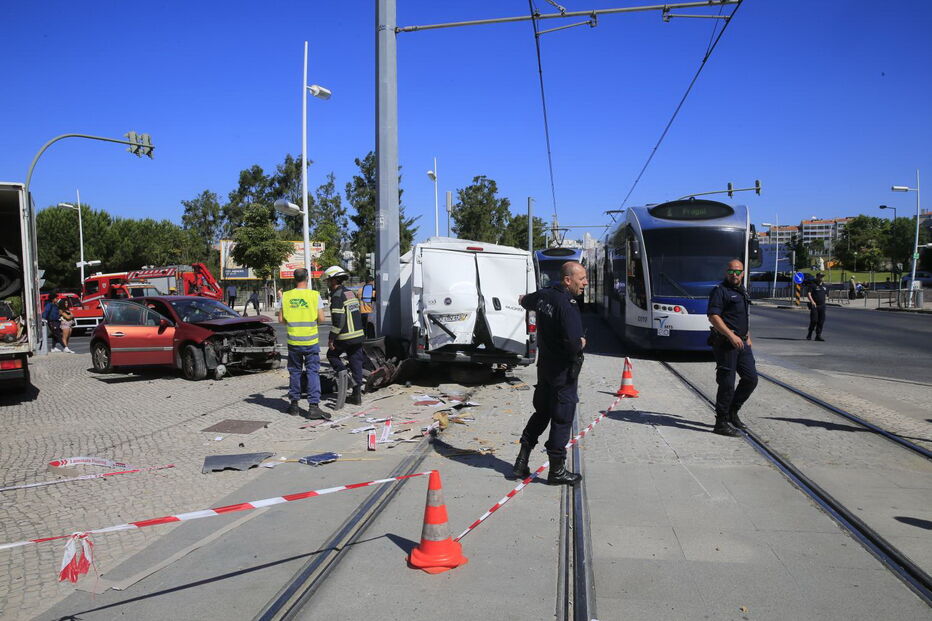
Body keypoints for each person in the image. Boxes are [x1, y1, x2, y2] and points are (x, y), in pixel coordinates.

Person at [511, 261, 587, 486]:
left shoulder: (544, 295)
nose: (585, 283)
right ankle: (557, 470)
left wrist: (522, 299)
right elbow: (573, 344)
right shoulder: (567, 305)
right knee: (562, 418)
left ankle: (521, 461)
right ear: (568, 280)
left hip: (544, 369)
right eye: (581, 279)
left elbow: (525, 301)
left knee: (542, 412)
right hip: (563, 372)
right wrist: (582, 342)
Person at [707, 259, 758, 437]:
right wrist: (731, 335)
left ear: (742, 274)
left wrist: (747, 335)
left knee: (751, 379)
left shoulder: (742, 290)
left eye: (738, 272)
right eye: (731, 271)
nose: (734, 275)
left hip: (742, 343)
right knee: (727, 384)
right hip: (726, 344)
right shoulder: (720, 291)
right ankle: (721, 423)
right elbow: (713, 316)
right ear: (726, 273)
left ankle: (732, 412)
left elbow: (742, 316)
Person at [278, 268, 327, 420]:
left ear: (294, 279)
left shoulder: (286, 296)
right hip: (310, 341)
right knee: (312, 372)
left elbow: (281, 320)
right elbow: (322, 319)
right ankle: (313, 407)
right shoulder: (314, 295)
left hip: (293, 342)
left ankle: (294, 405)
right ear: (307, 278)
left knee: (295, 372)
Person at [323, 265, 366, 406]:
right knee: (356, 362)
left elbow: (338, 320)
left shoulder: (337, 296)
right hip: (358, 335)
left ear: (334, 280)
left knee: (332, 355)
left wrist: (331, 338)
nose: (327, 283)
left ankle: (347, 379)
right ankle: (356, 395)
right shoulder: (350, 293)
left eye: (328, 280)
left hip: (345, 336)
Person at [806, 272, 828, 341]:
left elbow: (825, 295)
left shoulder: (824, 286)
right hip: (815, 306)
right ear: (817, 277)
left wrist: (825, 301)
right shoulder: (812, 285)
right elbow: (809, 294)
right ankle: (809, 333)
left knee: (821, 321)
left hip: (822, 306)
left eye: (822, 276)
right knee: (814, 320)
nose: (822, 278)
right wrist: (812, 302)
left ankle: (818, 336)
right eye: (820, 276)